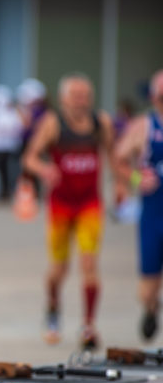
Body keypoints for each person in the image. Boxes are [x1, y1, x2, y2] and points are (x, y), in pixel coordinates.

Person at [22, 73, 116, 352]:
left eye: (85, 95)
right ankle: (53, 306)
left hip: (89, 204)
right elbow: (29, 158)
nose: (80, 101)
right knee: (59, 269)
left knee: (89, 264)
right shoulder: (53, 124)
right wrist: (44, 169)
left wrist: (125, 183)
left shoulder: (101, 123)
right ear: (63, 99)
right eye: (75, 96)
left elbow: (114, 157)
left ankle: (88, 325)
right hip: (61, 206)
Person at [115, 69, 163, 341]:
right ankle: (151, 307)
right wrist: (135, 178)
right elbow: (118, 159)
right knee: (146, 290)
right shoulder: (144, 126)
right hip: (154, 215)